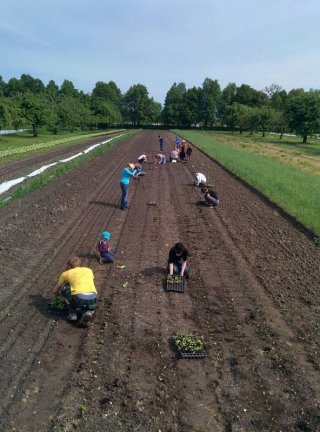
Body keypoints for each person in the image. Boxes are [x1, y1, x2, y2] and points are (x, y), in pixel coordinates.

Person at [52, 256, 97, 324]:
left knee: (65, 289)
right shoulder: (89, 270)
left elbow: (56, 289)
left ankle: (72, 314)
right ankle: (88, 311)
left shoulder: (66, 273)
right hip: (93, 297)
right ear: (80, 264)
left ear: (69, 266)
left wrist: (57, 296)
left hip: (80, 297)